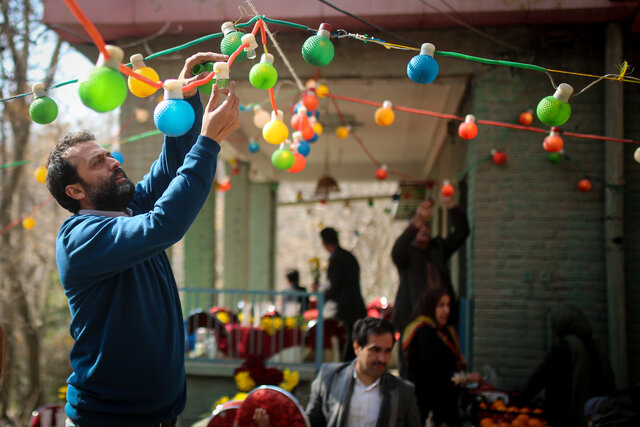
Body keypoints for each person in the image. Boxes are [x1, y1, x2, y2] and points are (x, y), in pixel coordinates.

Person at [46, 52, 240, 426]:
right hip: (107, 420)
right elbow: (164, 224)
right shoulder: (80, 240)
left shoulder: (127, 208)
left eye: (107, 155)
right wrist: (209, 142)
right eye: (98, 163)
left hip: (163, 415)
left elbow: (170, 168)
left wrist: (183, 96)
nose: (113, 161)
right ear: (75, 191)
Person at [391, 197, 469, 376]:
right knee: (412, 364)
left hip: (439, 317)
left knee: (440, 361)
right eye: (420, 227)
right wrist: (416, 222)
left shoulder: (438, 248)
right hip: (412, 316)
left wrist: (452, 206)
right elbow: (396, 251)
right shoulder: (406, 255)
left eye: (427, 226)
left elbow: (462, 232)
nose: (424, 229)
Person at [305, 317, 421, 427]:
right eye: (375, 350)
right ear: (357, 347)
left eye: (387, 351)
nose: (382, 358)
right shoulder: (329, 378)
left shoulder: (403, 392)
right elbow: (311, 423)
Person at [519, 304, 615, 427]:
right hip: (599, 412)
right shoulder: (598, 345)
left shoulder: (565, 346)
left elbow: (541, 375)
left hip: (569, 413)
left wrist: (521, 400)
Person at [402, 287, 480, 426]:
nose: (446, 310)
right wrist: (467, 378)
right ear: (430, 306)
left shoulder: (444, 332)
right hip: (430, 407)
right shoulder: (424, 333)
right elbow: (435, 375)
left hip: (445, 403)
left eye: (448, 305)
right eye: (441, 305)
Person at [318, 227, 367, 361]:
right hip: (354, 307)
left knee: (348, 347)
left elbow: (334, 286)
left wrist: (320, 297)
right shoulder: (348, 256)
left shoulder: (337, 258)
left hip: (347, 310)